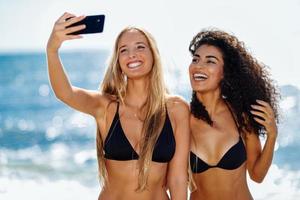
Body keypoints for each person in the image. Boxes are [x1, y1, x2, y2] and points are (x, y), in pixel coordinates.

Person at [46, 13, 190, 200]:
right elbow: (65, 93)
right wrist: (52, 49)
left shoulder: (176, 109)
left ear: (153, 54)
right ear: (118, 62)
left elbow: (178, 179)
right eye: (123, 50)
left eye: (140, 47)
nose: (132, 55)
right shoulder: (106, 106)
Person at [188, 29, 279, 200]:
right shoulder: (182, 117)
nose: (199, 66)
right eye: (195, 59)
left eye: (210, 61)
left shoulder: (240, 116)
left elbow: (257, 175)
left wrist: (272, 135)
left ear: (224, 73)